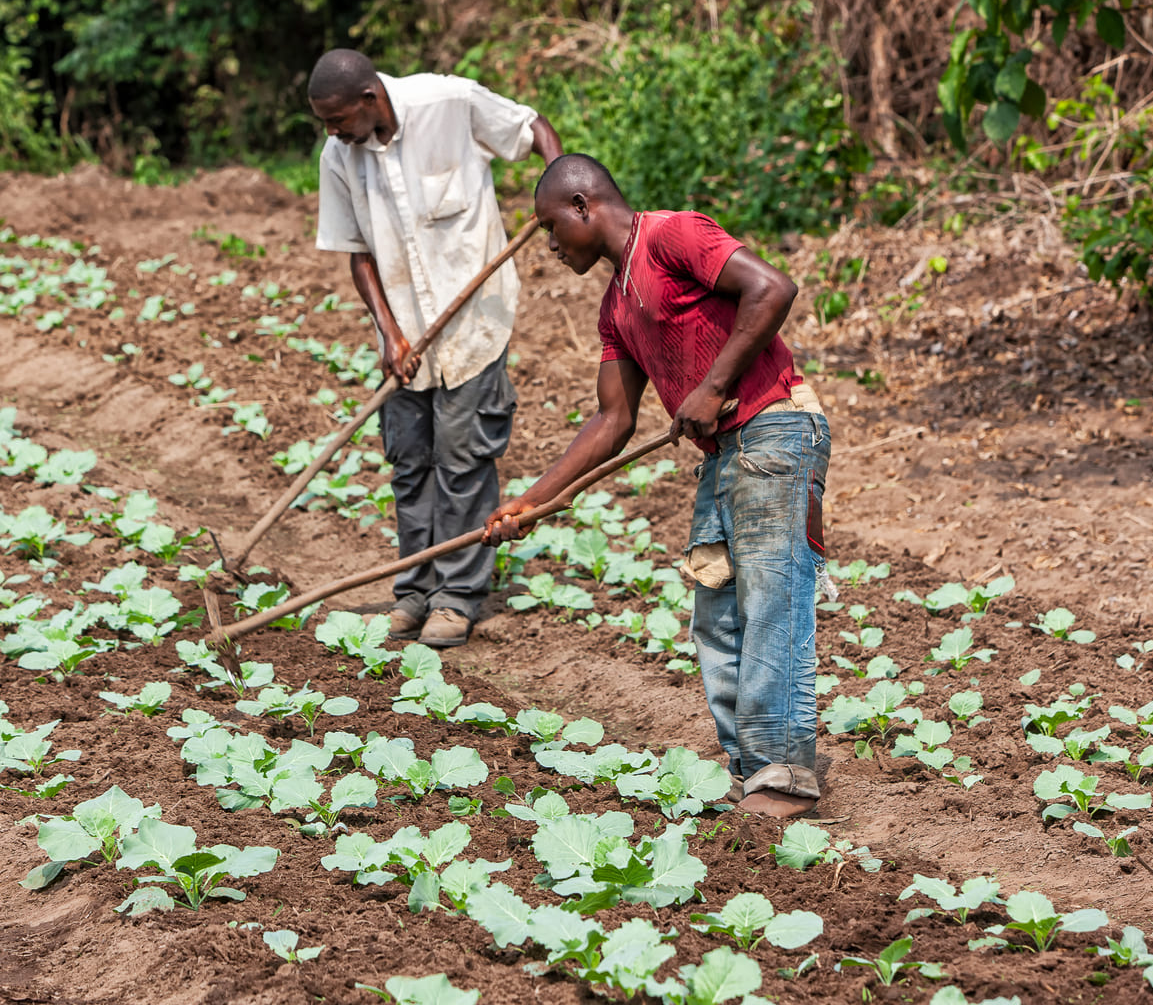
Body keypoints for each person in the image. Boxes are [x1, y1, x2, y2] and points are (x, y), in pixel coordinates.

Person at [483, 153, 830, 819]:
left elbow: (773, 288)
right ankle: (756, 770)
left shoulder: (673, 236)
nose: (551, 246)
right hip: (725, 454)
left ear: (583, 205)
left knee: (771, 603)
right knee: (718, 617)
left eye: (552, 228)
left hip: (776, 430)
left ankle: (785, 775)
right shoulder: (616, 308)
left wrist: (715, 385)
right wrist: (532, 500)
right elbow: (612, 420)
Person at [310, 48, 563, 648]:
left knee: (462, 463)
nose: (332, 131)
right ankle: (413, 590)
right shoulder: (339, 156)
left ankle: (457, 596)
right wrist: (391, 334)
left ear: (370, 99)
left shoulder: (447, 102)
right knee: (410, 465)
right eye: (324, 122)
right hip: (404, 342)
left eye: (338, 118)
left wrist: (559, 188)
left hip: (475, 325)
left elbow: (532, 128)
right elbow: (359, 254)